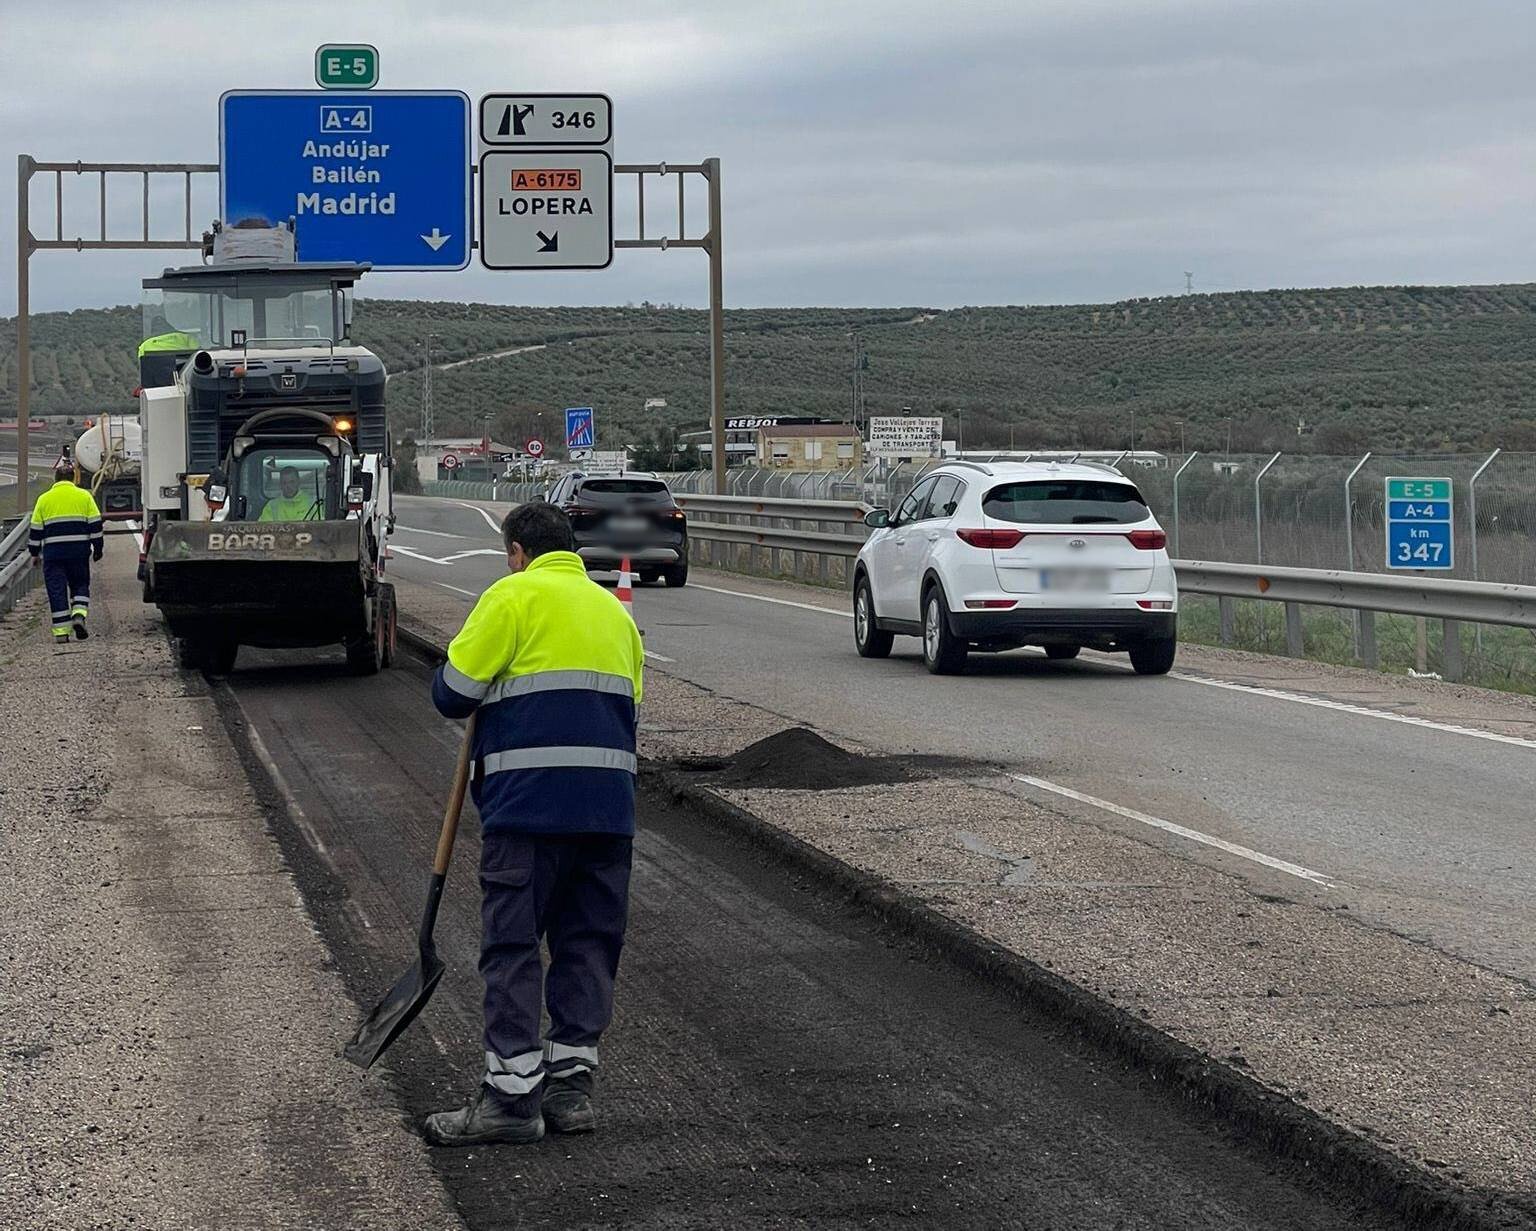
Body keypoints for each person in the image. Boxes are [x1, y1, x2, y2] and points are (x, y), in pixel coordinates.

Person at [425, 502, 644, 1147]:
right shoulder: (615, 613)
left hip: (527, 810)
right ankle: (570, 1091)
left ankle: (512, 1101)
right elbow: (629, 708)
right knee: (588, 944)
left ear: (518, 552)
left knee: (513, 948)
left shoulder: (511, 597)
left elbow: (452, 693)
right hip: (608, 815)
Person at [28, 461, 104, 645]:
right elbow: (95, 525)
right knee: (80, 584)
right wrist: (97, 549)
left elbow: (36, 530)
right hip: (79, 553)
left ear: (55, 479)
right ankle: (78, 615)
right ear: (73, 479)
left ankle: (62, 633)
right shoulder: (84, 496)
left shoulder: (44, 499)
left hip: (53, 555)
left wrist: (34, 553)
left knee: (56, 591)